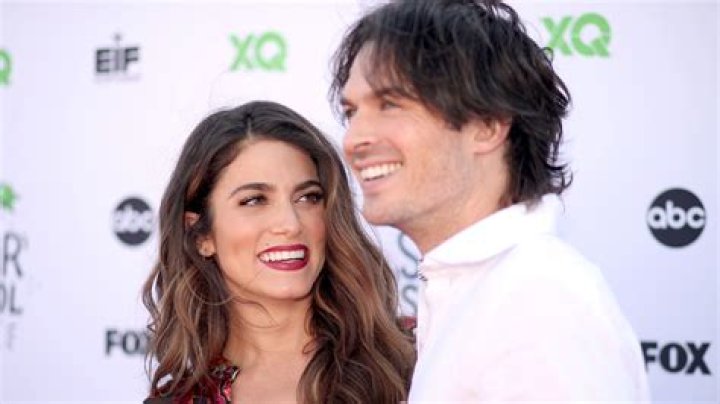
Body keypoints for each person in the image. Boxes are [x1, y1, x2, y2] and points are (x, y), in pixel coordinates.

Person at [331, 0, 650, 401]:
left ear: (487, 125)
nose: (354, 139)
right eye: (351, 112)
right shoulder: (481, 290)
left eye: (390, 105)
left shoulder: (538, 299)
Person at [142, 100, 415, 403]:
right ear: (201, 235)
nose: (290, 224)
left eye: (308, 197)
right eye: (254, 200)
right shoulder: (183, 400)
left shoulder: (417, 358)